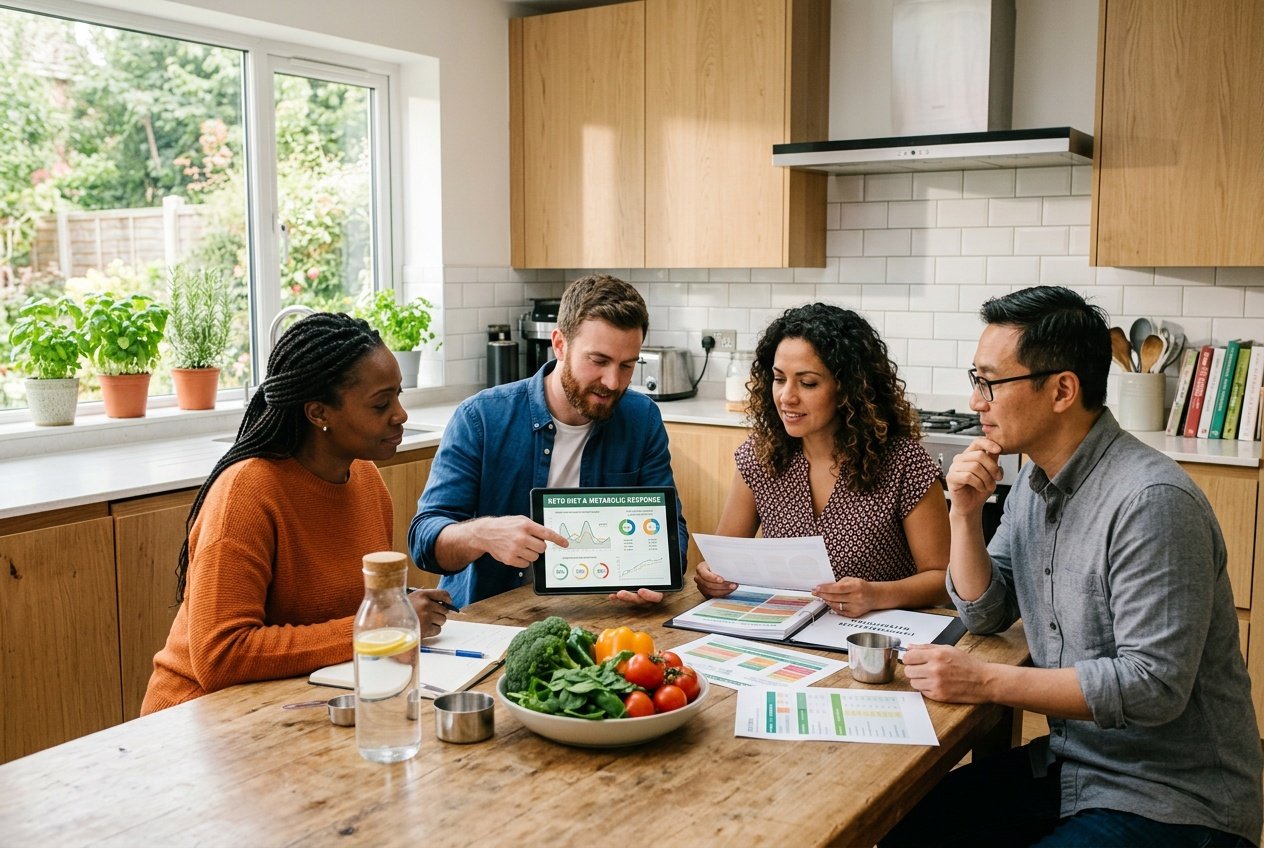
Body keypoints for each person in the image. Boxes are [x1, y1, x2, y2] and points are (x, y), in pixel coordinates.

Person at [888, 287, 1263, 847]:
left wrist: (987, 681)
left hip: (1176, 796)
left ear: (1062, 389)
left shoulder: (1151, 501)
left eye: (990, 382)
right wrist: (963, 516)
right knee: (907, 827)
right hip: (1078, 763)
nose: (975, 401)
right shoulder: (1034, 484)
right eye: (975, 378)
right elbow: (987, 612)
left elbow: (1152, 686)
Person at [142, 312, 451, 715]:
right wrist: (376, 627)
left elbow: (325, 606)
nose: (401, 415)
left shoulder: (367, 481)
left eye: (398, 395)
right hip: (199, 717)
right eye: (381, 403)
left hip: (296, 702)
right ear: (318, 413)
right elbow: (221, 656)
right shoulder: (246, 494)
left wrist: (395, 608)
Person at [410, 274, 687, 608]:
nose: (613, 382)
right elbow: (424, 540)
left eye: (627, 365)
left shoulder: (641, 419)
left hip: (601, 615)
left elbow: (671, 530)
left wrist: (658, 574)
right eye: (598, 361)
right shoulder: (480, 418)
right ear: (559, 344)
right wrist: (482, 534)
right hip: (492, 617)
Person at [694, 303, 950, 616]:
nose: (787, 396)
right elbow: (723, 562)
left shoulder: (903, 463)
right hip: (785, 629)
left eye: (808, 383)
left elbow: (943, 581)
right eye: (779, 379)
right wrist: (713, 577)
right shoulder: (760, 457)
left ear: (849, 389)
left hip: (873, 638)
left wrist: (876, 595)